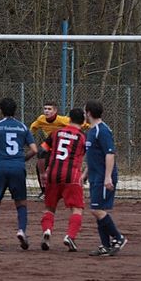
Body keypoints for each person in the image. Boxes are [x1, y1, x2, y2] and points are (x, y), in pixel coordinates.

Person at [0, 97, 37, 251]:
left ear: (0, 110)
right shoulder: (23, 127)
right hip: (18, 166)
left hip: (1, 166)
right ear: (15, 110)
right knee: (21, 203)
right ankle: (21, 230)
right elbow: (34, 150)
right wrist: (22, 159)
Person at [83, 100, 128, 257]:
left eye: (85, 111)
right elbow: (93, 156)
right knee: (98, 209)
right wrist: (85, 174)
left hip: (103, 177)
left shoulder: (102, 131)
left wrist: (108, 177)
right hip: (95, 176)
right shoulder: (91, 131)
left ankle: (118, 237)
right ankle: (105, 245)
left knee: (97, 210)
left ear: (88, 112)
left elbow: (109, 154)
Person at [38, 108, 87, 252]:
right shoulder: (83, 137)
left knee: (49, 208)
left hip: (53, 173)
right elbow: (91, 157)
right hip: (72, 176)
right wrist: (85, 175)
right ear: (83, 121)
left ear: (69, 119)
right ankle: (70, 236)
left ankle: (47, 230)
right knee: (77, 209)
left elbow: (41, 152)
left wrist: (42, 173)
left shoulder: (56, 133)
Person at [29, 102, 74, 200]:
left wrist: (90, 125)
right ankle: (44, 192)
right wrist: (28, 137)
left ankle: (67, 192)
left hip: (62, 149)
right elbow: (32, 128)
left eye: (49, 109)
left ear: (55, 111)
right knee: (39, 166)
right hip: (49, 147)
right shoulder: (41, 119)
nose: (46, 111)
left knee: (62, 171)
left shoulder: (63, 120)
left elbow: (80, 124)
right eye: (45, 109)